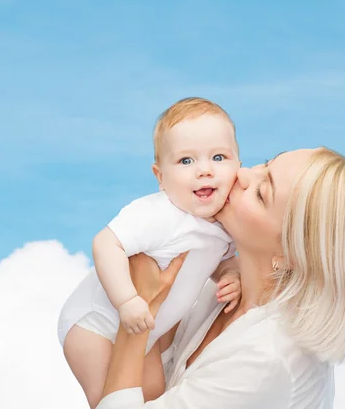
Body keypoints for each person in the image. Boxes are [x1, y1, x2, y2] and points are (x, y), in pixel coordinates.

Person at [97, 147, 345, 408]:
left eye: (261, 193)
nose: (242, 174)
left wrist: (138, 315)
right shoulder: (228, 290)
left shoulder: (268, 359)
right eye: (264, 165)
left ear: (290, 255)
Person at [57, 98, 245, 408]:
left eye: (219, 156)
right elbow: (106, 243)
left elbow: (221, 260)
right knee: (108, 396)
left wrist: (231, 275)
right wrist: (127, 300)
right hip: (94, 325)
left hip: (146, 332)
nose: (205, 170)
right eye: (186, 161)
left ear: (238, 163)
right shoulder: (159, 215)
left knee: (155, 394)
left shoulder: (225, 223)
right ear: (160, 177)